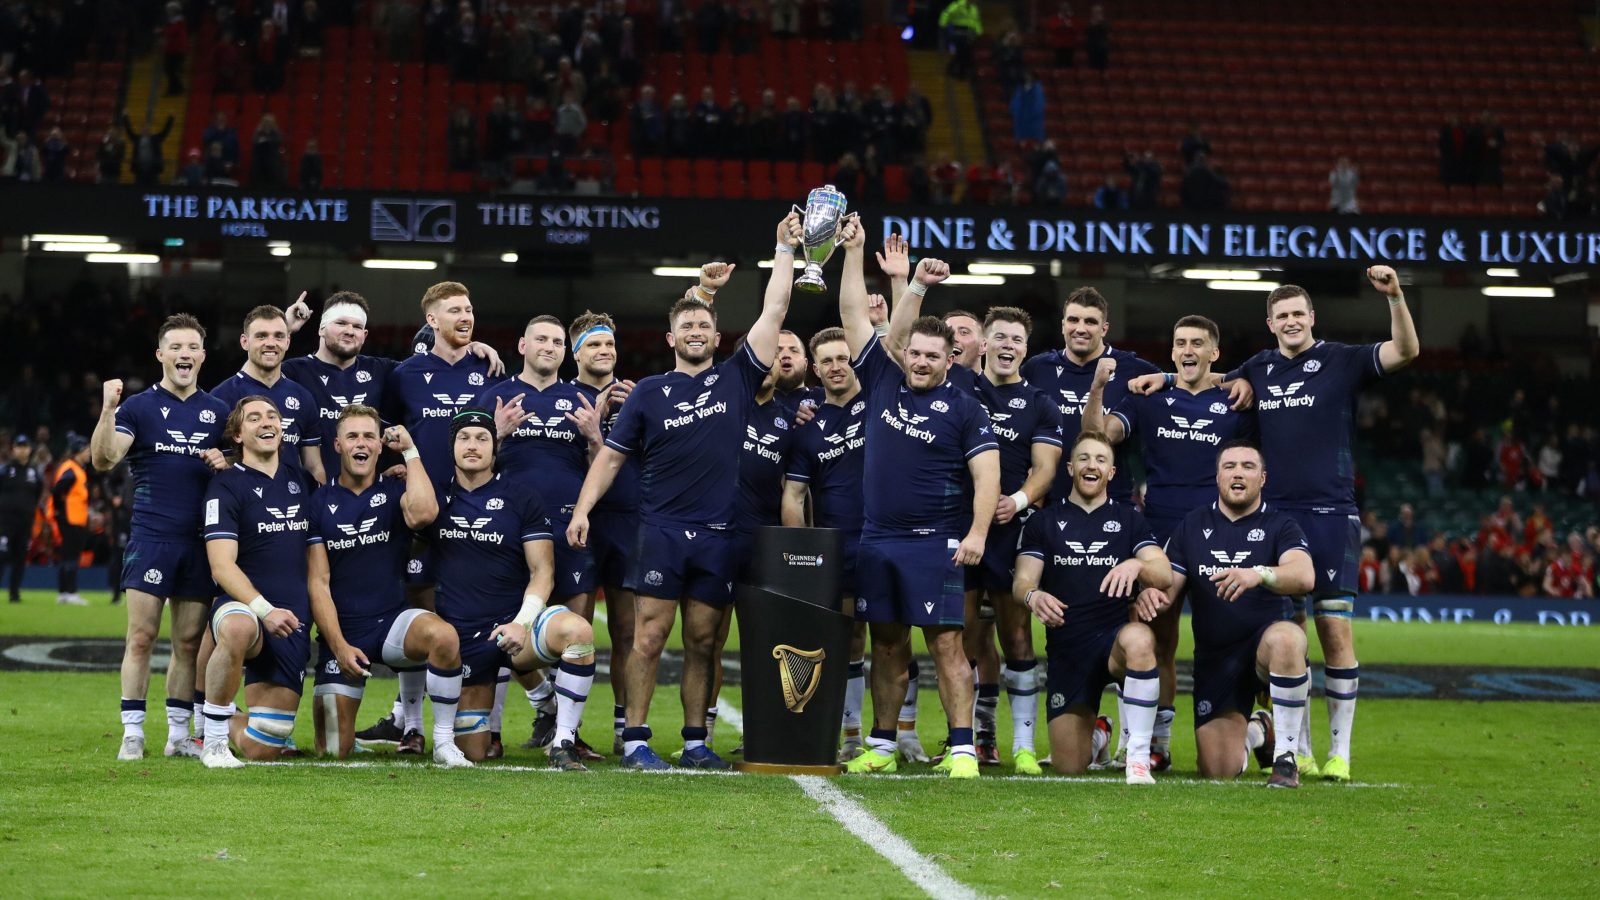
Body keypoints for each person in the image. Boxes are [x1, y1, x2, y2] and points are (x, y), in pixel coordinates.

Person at [1130, 265, 1419, 782]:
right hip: (1275, 517)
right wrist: (1169, 377)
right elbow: (1211, 375)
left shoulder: (1341, 360)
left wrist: (1395, 296)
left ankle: (1340, 753)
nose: (1289, 322)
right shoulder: (1260, 367)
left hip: (1330, 512)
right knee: (1288, 632)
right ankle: (1296, 746)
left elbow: (1405, 352)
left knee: (1334, 631)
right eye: (1280, 315)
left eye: (1296, 314)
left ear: (1312, 317)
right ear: (1270, 322)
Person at [567, 214, 801, 770]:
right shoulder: (649, 391)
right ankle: (638, 740)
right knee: (648, 638)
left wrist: (783, 249)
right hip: (663, 533)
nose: (696, 333)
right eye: (686, 327)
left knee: (703, 641)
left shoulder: (737, 378)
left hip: (719, 535)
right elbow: (611, 457)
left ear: (717, 338)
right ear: (672, 338)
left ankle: (696, 741)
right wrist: (582, 510)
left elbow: (774, 311)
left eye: (704, 327)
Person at [833, 216, 1001, 780]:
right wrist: (881, 268)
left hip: (937, 543)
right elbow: (856, 316)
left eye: (935, 355)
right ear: (905, 353)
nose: (923, 361)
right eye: (916, 353)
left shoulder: (966, 408)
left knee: (948, 646)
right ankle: (880, 744)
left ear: (951, 360)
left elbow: (987, 475)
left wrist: (977, 534)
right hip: (878, 541)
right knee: (885, 646)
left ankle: (959, 750)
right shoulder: (881, 379)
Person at [1082, 315, 1256, 769]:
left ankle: (1259, 727)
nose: (1188, 350)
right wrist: (1099, 388)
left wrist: (1236, 379)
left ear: (1214, 353)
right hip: (1160, 533)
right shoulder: (1149, 398)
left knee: (1231, 633)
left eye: (1198, 343)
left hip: (1223, 533)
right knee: (1158, 633)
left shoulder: (1236, 398)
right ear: (1172, 350)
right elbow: (1100, 435)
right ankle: (1153, 741)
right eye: (1180, 343)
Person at [90, 315, 233, 761]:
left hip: (199, 542)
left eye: (192, 346)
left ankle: (177, 734)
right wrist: (108, 409)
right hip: (152, 537)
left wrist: (225, 459)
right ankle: (132, 732)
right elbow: (104, 458)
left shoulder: (218, 411)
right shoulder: (138, 407)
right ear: (161, 354)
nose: (184, 354)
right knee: (140, 637)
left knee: (188, 643)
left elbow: (241, 463)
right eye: (175, 347)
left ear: (202, 356)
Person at [428, 409, 597, 769]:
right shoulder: (432, 498)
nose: (473, 446)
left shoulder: (522, 497)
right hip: (460, 641)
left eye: (482, 439)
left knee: (578, 631)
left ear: (495, 448)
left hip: (512, 630)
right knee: (472, 751)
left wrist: (522, 621)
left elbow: (543, 572)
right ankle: (541, 700)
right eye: (464, 438)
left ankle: (564, 741)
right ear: (452, 446)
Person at [305, 408, 469, 766]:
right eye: (352, 436)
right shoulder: (317, 503)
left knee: (443, 637)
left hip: (391, 625)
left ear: (381, 447)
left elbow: (425, 513)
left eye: (368, 436)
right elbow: (318, 583)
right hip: (342, 636)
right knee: (333, 750)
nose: (360, 443)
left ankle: (442, 741)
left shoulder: (396, 490)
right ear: (337, 446)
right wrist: (339, 646)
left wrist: (410, 453)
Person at [475, 315, 606, 761]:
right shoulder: (494, 397)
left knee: (577, 627)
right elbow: (467, 462)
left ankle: (567, 735)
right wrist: (497, 434)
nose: (549, 347)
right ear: (521, 345)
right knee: (501, 622)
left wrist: (594, 438)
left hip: (571, 528)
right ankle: (492, 732)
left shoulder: (583, 399)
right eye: (541, 340)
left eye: (556, 341)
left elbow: (603, 471)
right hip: (507, 530)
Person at [1012, 430, 1172, 782]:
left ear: (1112, 473)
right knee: (1069, 767)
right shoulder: (1045, 521)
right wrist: (1033, 596)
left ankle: (1138, 758)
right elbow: (1022, 581)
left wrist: (1138, 566)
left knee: (1140, 640)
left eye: (1101, 460)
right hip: (1068, 651)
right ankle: (1099, 732)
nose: (1092, 465)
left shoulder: (1130, 519)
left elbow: (1163, 573)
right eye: (1084, 458)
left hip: (1113, 642)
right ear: (1070, 468)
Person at [1158, 441, 1315, 787]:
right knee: (1217, 770)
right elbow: (1167, 589)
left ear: (1263, 478)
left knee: (1289, 638)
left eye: (1247, 466)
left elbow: (1304, 575)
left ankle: (1286, 757)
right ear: (1217, 477)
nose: (1238, 472)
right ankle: (1260, 730)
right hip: (1217, 660)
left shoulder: (1280, 525)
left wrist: (1259, 573)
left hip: (1264, 650)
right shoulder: (1191, 525)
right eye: (1230, 466)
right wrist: (1146, 590)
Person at [970, 307, 1063, 774]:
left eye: (1017, 340)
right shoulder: (961, 388)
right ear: (983, 344)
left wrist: (1021, 500)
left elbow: (1046, 468)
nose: (1008, 346)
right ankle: (971, 737)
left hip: (1010, 531)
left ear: (1026, 349)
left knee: (1017, 633)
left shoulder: (1041, 404)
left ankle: (1024, 746)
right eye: (1000, 337)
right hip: (959, 528)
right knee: (963, 636)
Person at [198, 397, 313, 768]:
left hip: (292, 620)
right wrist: (264, 610)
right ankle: (213, 742)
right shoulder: (226, 486)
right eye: (254, 418)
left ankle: (225, 717)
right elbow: (221, 566)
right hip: (246, 607)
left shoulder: (303, 481)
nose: (267, 422)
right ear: (238, 434)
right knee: (235, 627)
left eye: (273, 416)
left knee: (263, 748)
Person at [783, 326, 870, 757]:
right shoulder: (809, 426)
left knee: (895, 637)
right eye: (827, 361)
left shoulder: (883, 402)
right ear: (815, 369)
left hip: (890, 539)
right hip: (839, 545)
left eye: (843, 357)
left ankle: (902, 733)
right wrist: (804, 553)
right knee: (847, 638)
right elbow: (793, 496)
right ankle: (851, 735)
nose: (837, 367)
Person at [566, 310, 640, 754]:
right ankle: (564, 728)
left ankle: (623, 726)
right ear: (576, 352)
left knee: (628, 632)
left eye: (609, 344)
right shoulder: (560, 396)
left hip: (628, 522)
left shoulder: (637, 395)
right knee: (576, 630)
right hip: (578, 522)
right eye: (594, 344)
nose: (604, 352)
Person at [1020, 286, 1161, 505]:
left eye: (1091, 322)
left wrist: (1168, 378)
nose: (1080, 328)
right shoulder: (1037, 369)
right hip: (1049, 508)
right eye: (1074, 320)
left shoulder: (1133, 370)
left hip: (1113, 508)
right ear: (1063, 325)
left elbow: (1192, 382)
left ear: (1104, 329)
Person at [211, 305, 326, 484]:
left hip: (292, 505)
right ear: (244, 342)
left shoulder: (303, 397)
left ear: (287, 342)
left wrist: (320, 509)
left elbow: (314, 467)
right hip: (243, 507)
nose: (271, 343)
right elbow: (214, 461)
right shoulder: (221, 397)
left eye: (279, 336)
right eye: (261, 336)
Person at [1, 435, 44, 604]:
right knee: (1, 555)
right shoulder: (5, 470)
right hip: (5, 522)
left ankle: (14, 594)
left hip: (25, 522)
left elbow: (38, 492)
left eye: (25, 446)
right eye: (19, 446)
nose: (22, 449)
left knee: (20, 558)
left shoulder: (34, 472)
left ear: (30, 449)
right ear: (13, 449)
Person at [51, 435, 92, 606]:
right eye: (86, 450)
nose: (89, 454)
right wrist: (60, 512)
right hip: (70, 519)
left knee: (68, 556)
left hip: (74, 519)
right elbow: (57, 490)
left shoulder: (76, 469)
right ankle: (70, 592)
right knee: (71, 557)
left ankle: (64, 592)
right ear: (78, 452)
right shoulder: (72, 470)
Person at [938, 0, 982, 80]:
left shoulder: (974, 9)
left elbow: (977, 21)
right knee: (963, 50)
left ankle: (959, 72)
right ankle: (955, 71)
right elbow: (947, 13)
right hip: (958, 31)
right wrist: (942, 24)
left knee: (965, 53)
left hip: (969, 33)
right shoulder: (957, 5)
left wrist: (979, 33)